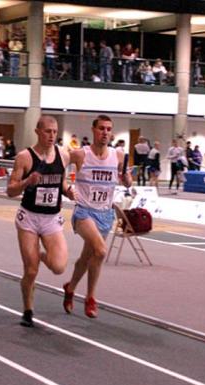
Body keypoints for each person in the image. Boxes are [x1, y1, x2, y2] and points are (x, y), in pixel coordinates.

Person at [6, 115, 75, 327]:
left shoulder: (63, 156)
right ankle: (27, 310)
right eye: (47, 131)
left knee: (59, 266)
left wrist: (69, 191)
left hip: (51, 218)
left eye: (55, 132)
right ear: (37, 131)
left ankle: (42, 255)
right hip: (29, 217)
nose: (52, 136)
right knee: (31, 270)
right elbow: (10, 190)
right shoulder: (25, 157)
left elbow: (61, 181)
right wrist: (27, 181)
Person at [62, 115, 130, 318]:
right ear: (93, 130)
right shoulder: (80, 155)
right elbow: (56, 167)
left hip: (105, 214)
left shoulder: (117, 155)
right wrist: (66, 188)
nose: (105, 133)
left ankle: (70, 288)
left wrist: (126, 179)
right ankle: (91, 298)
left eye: (109, 129)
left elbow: (127, 182)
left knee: (87, 257)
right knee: (100, 251)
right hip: (84, 211)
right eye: (101, 128)